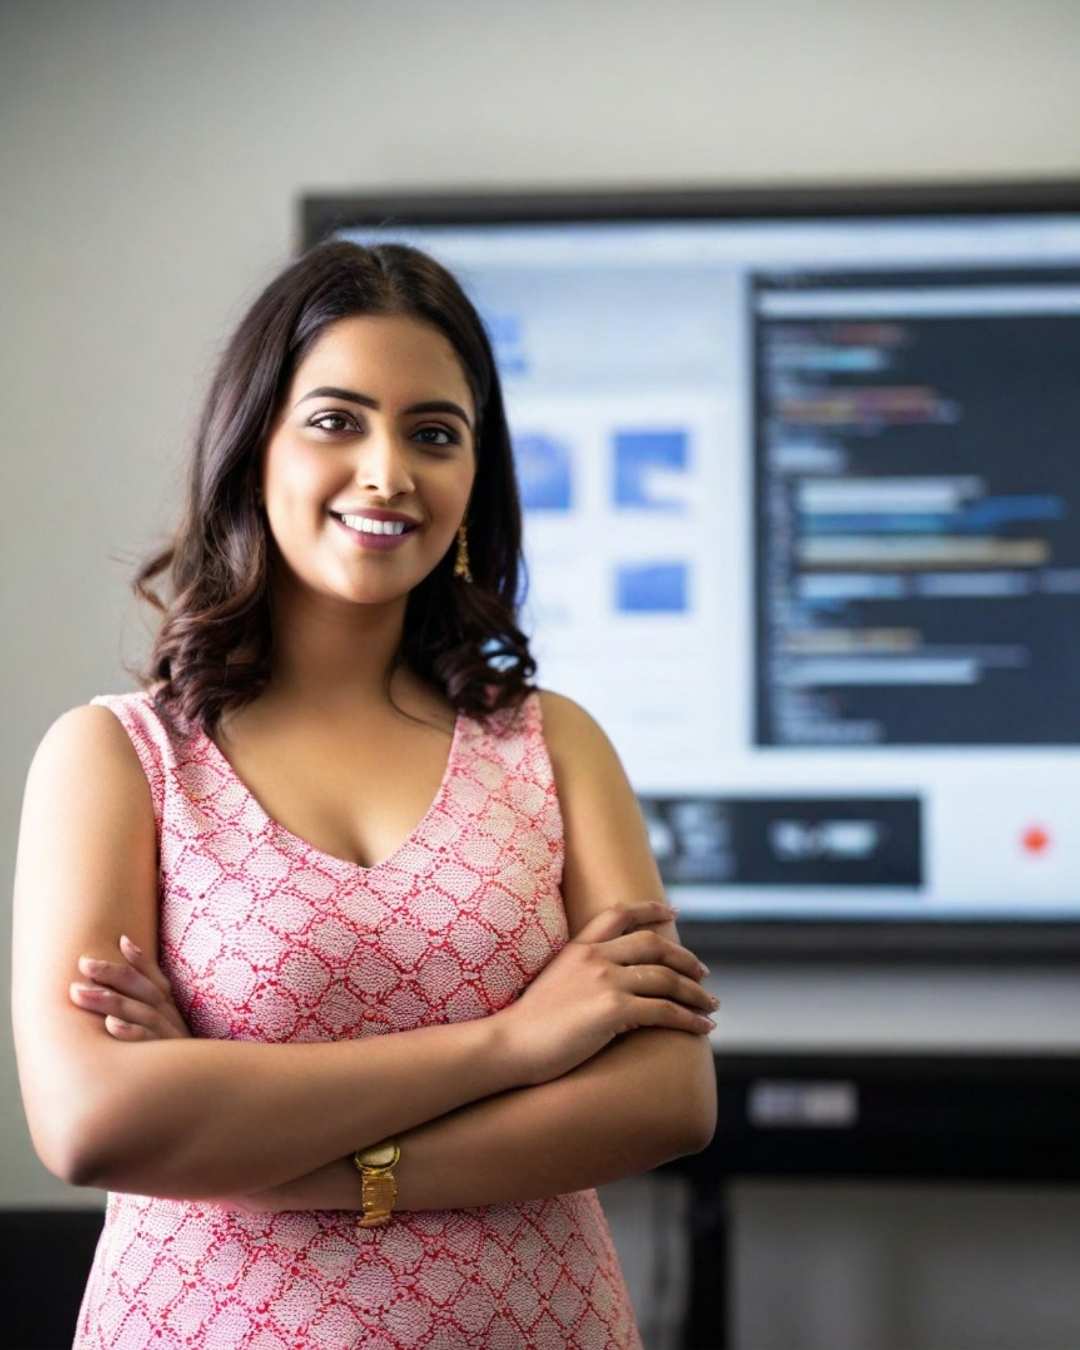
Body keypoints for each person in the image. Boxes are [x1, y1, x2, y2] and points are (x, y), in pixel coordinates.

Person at [12, 239, 719, 1349]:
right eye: (337, 420)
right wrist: (518, 1047)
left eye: (434, 433)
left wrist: (260, 1140)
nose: (389, 471)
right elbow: (95, 1121)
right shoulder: (118, 760)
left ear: (476, 474)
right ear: (255, 449)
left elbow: (666, 1097)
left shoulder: (554, 745)